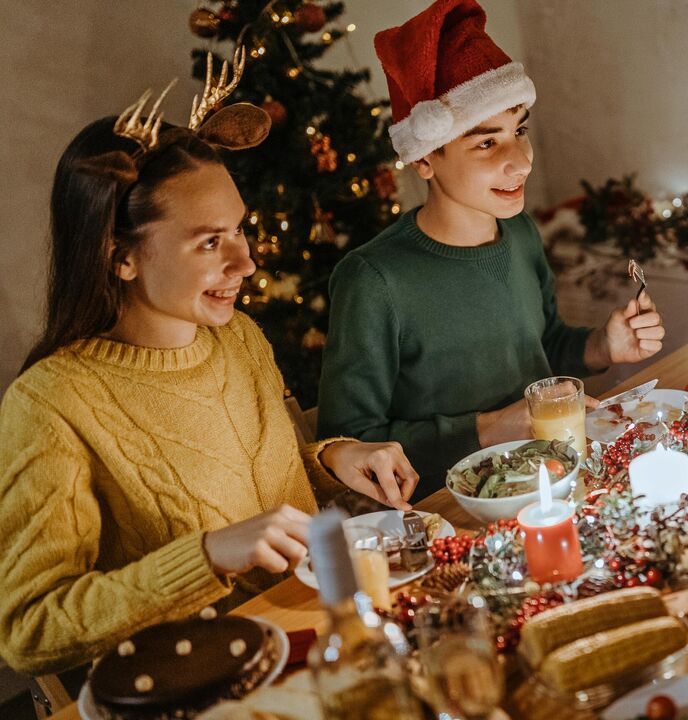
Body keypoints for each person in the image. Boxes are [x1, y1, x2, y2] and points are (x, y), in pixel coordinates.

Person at [0, 73, 418, 676]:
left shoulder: (239, 339)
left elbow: (257, 485)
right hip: (205, 685)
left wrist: (333, 461)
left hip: (322, 639)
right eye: (209, 242)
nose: (245, 261)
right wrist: (205, 557)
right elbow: (29, 627)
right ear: (119, 255)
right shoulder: (51, 403)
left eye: (240, 229)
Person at [317, 0, 665, 497]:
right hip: (450, 516)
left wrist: (602, 346)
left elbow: (541, 351)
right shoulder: (373, 279)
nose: (520, 162)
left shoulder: (519, 232)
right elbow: (347, 448)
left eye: (519, 131)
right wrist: (489, 428)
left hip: (553, 486)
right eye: (486, 143)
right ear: (423, 161)